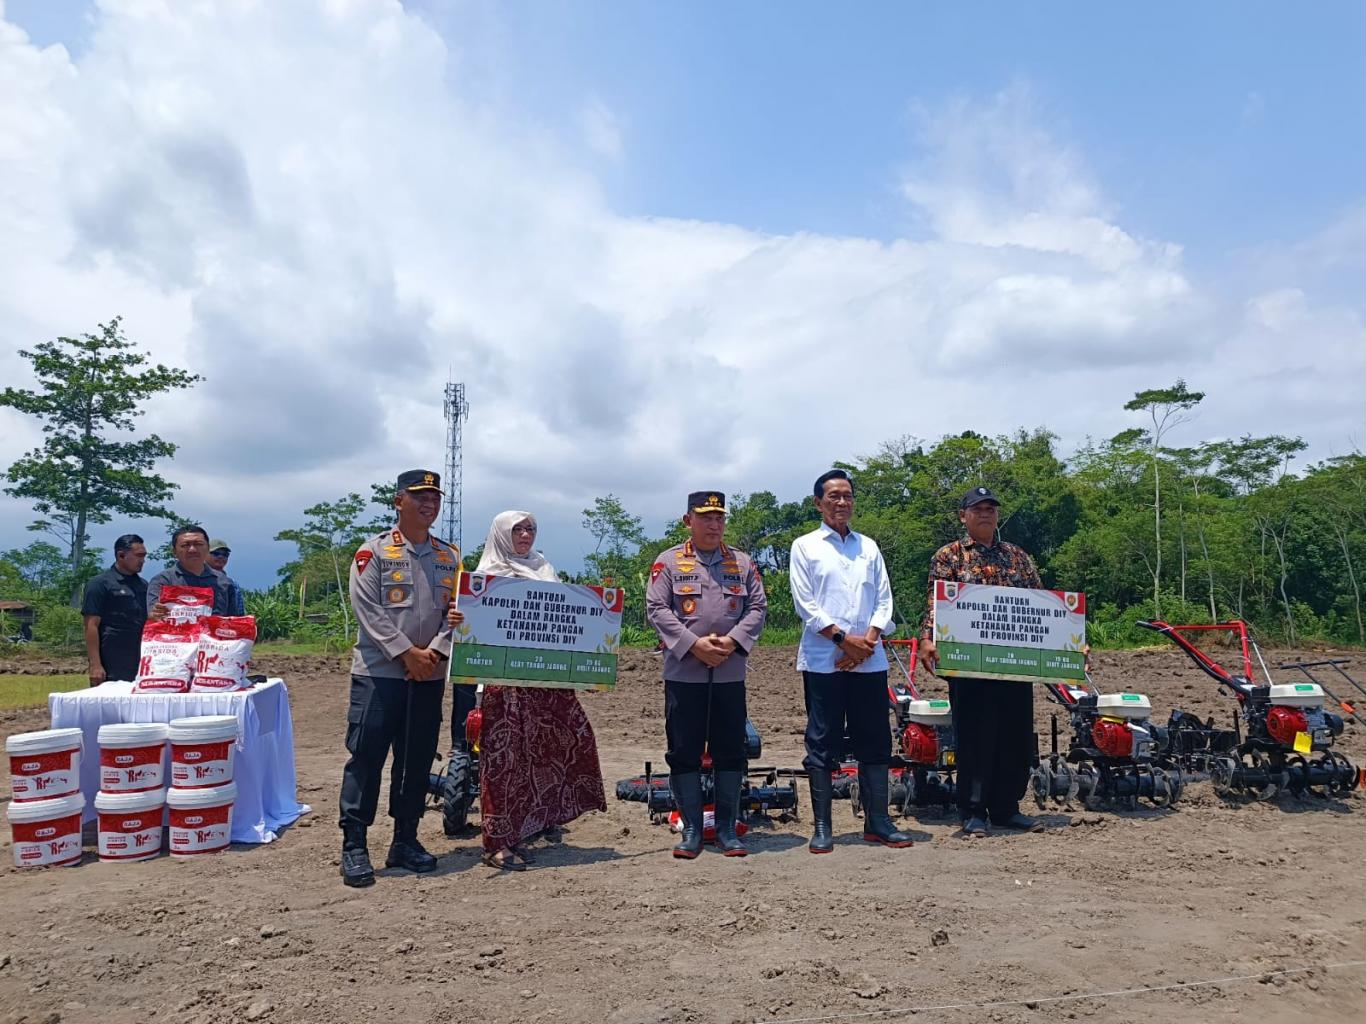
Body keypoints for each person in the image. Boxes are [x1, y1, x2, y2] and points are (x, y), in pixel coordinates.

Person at [451, 511, 607, 871]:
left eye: (530, 529)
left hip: (545, 683)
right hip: (503, 686)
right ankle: (497, 843)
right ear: (501, 534)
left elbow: (570, 620)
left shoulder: (544, 569)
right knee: (504, 763)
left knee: (556, 749)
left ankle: (530, 825)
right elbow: (475, 632)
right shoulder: (485, 578)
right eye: (517, 529)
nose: (525, 535)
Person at [338, 469, 461, 888]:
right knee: (367, 757)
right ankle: (355, 844)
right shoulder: (373, 553)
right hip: (380, 674)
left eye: (435, 498)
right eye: (420, 496)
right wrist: (407, 653)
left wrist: (436, 651)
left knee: (416, 759)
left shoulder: (449, 557)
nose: (430, 504)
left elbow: (458, 612)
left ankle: (405, 840)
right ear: (398, 501)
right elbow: (368, 610)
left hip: (429, 675)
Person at [790, 470, 913, 854]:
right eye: (833, 496)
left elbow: (884, 601)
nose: (841, 502)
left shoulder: (869, 547)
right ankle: (823, 826)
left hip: (870, 661)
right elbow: (806, 604)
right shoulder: (804, 547)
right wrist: (844, 641)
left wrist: (867, 643)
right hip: (823, 661)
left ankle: (878, 821)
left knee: (874, 739)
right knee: (823, 741)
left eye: (847, 495)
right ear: (818, 503)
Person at [918, 486, 1046, 837]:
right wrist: (927, 638)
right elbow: (935, 602)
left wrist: (1071, 642)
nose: (986, 513)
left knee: (1014, 736)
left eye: (991, 508)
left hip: (1015, 663)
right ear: (964, 516)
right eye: (978, 509)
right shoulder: (949, 556)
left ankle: (1006, 808)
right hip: (969, 663)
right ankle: (973, 810)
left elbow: (1043, 604)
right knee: (975, 736)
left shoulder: (1018, 557)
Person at [645, 491, 767, 858]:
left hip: (730, 673)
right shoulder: (668, 562)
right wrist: (693, 644)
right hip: (685, 673)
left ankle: (727, 830)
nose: (715, 525)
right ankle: (692, 831)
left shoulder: (742, 563)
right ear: (688, 521)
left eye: (719, 518)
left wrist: (732, 641)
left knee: (731, 750)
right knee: (684, 751)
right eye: (706, 517)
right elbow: (657, 608)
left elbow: (757, 607)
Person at [81, 534, 148, 685]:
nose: (142, 560)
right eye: (138, 556)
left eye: (144, 556)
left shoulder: (144, 585)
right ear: (121, 555)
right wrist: (95, 665)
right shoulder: (99, 584)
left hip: (140, 658)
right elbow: (91, 625)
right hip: (112, 658)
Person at [146, 526, 244, 618]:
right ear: (174, 552)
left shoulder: (224, 582)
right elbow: (153, 615)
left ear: (207, 548)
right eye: (185, 545)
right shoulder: (162, 581)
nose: (192, 549)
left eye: (198, 544)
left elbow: (233, 620)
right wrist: (155, 614)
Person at [207, 539, 247, 615]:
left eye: (225, 554)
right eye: (216, 553)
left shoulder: (233, 584)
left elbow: (239, 614)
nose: (221, 557)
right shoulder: (195, 578)